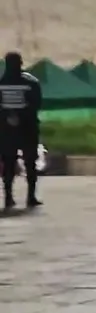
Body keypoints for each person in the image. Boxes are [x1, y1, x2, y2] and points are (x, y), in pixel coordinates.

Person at [0, 51, 44, 209]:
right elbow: (36, 104)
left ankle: (9, 198)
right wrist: (20, 116)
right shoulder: (31, 82)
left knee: (9, 163)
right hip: (27, 128)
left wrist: (9, 116)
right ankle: (30, 197)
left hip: (7, 129)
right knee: (29, 162)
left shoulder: (1, 83)